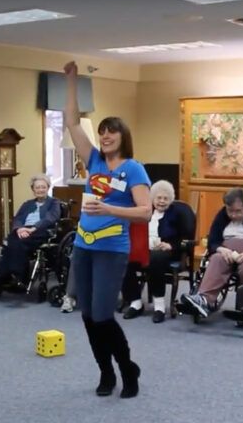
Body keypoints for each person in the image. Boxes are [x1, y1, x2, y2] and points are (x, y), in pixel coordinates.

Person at [64, 61, 151, 399]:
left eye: (111, 131)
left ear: (122, 136)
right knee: (87, 315)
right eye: (101, 131)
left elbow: (145, 212)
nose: (105, 136)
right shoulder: (95, 161)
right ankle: (105, 372)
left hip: (112, 249)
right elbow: (71, 121)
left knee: (102, 313)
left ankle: (128, 369)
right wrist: (71, 81)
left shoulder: (133, 169)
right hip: (84, 247)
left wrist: (109, 208)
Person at [180, 187, 243, 319]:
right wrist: (221, 249)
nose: (233, 215)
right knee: (216, 259)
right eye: (229, 210)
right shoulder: (222, 215)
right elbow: (213, 240)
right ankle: (204, 300)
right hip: (228, 251)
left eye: (238, 211)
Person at [0, 174, 61, 297]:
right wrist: (19, 228)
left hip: (40, 231)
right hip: (22, 231)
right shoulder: (27, 204)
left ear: (48, 188)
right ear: (33, 189)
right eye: (37, 187)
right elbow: (18, 218)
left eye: (43, 187)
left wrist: (33, 228)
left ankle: (3, 280)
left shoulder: (54, 203)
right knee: (12, 242)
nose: (40, 190)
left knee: (14, 245)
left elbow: (51, 218)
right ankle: (11, 280)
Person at [121, 180, 184, 324]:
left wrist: (170, 245)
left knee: (156, 258)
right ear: (153, 198)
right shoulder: (145, 212)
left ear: (170, 200)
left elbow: (182, 238)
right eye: (159, 198)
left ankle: (159, 306)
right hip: (142, 248)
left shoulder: (175, 214)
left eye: (165, 198)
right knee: (124, 258)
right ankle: (136, 302)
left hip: (164, 251)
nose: (162, 201)